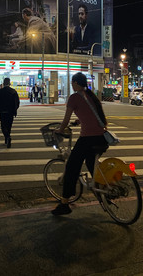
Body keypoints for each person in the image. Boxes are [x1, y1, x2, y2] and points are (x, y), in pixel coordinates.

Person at [52, 73, 109, 215]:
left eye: (72, 83)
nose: (71, 85)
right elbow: (93, 114)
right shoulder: (91, 96)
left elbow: (65, 120)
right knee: (91, 164)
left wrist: (60, 129)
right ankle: (103, 191)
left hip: (88, 139)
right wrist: (79, 121)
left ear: (76, 83)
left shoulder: (74, 97)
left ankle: (64, 204)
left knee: (72, 166)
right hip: (102, 137)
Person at [0, 78, 20, 148]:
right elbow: (17, 103)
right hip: (10, 112)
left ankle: (7, 137)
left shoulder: (0, 91)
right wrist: (14, 110)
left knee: (3, 126)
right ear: (9, 83)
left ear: (3, 83)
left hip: (3, 112)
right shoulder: (13, 91)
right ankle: (7, 138)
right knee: (9, 126)